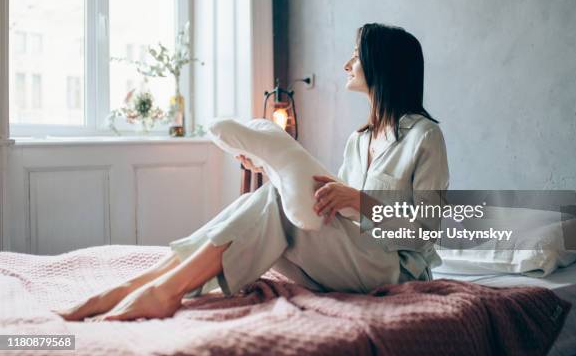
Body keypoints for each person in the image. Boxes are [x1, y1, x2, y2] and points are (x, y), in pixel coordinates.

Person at [56, 23, 450, 322]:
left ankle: (164, 289)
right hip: (348, 257)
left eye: (356, 56)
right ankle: (149, 284)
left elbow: (430, 231)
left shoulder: (424, 137)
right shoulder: (358, 139)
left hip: (394, 269)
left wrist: (359, 201)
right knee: (271, 198)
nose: (347, 64)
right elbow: (330, 208)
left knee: (276, 202)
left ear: (383, 65)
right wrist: (268, 168)